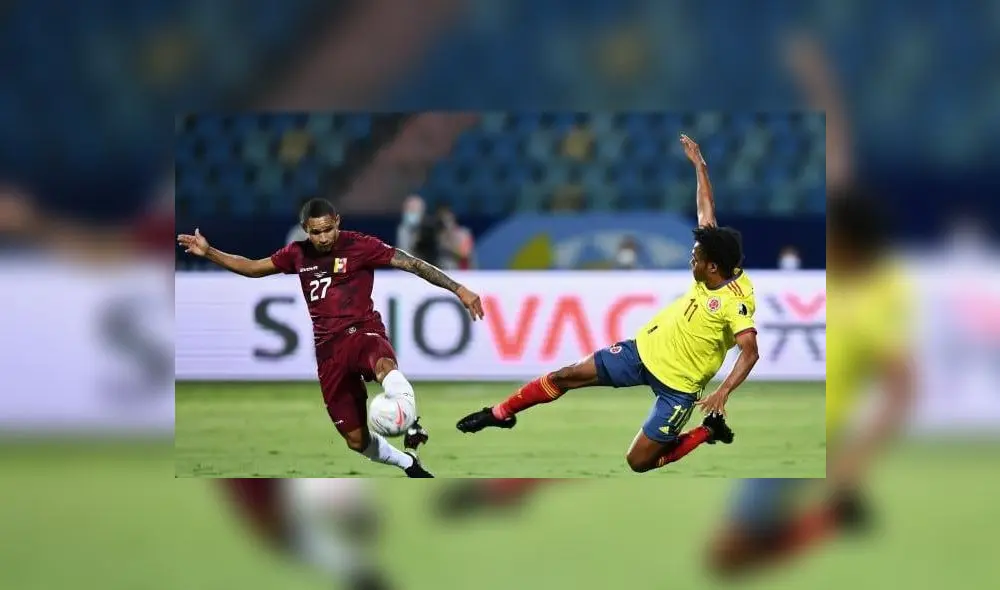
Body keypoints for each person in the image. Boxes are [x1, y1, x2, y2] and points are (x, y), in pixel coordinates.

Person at [705, 35, 914, 577]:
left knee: (726, 558)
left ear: (849, 242)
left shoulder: (879, 300)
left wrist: (851, 468)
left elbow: (902, 390)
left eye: (832, 232)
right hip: (799, 423)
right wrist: (820, 81)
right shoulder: (860, 267)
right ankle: (822, 524)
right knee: (732, 555)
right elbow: (839, 159)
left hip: (814, 435)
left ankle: (824, 524)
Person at [456, 135, 760, 473]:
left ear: (713, 267)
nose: (692, 259)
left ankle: (708, 431)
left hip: (679, 388)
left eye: (696, 258)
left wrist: (724, 392)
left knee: (639, 461)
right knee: (565, 375)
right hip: (642, 352)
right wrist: (700, 168)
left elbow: (750, 351)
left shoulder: (736, 302)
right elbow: (707, 211)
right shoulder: (715, 252)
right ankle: (500, 413)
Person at [178, 198, 485, 478]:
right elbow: (253, 267)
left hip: (362, 331)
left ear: (338, 221)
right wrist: (209, 253)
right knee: (356, 441)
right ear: (305, 230)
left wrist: (459, 289)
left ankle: (409, 416)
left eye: (328, 229)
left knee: (383, 364)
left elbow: (413, 264)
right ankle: (409, 464)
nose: (323, 237)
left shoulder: (361, 246)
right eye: (315, 232)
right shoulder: (296, 254)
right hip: (329, 352)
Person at [220, 479, 392, 590]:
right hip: (286, 523)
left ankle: (353, 514)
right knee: (349, 563)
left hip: (290, 506)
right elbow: (266, 517)